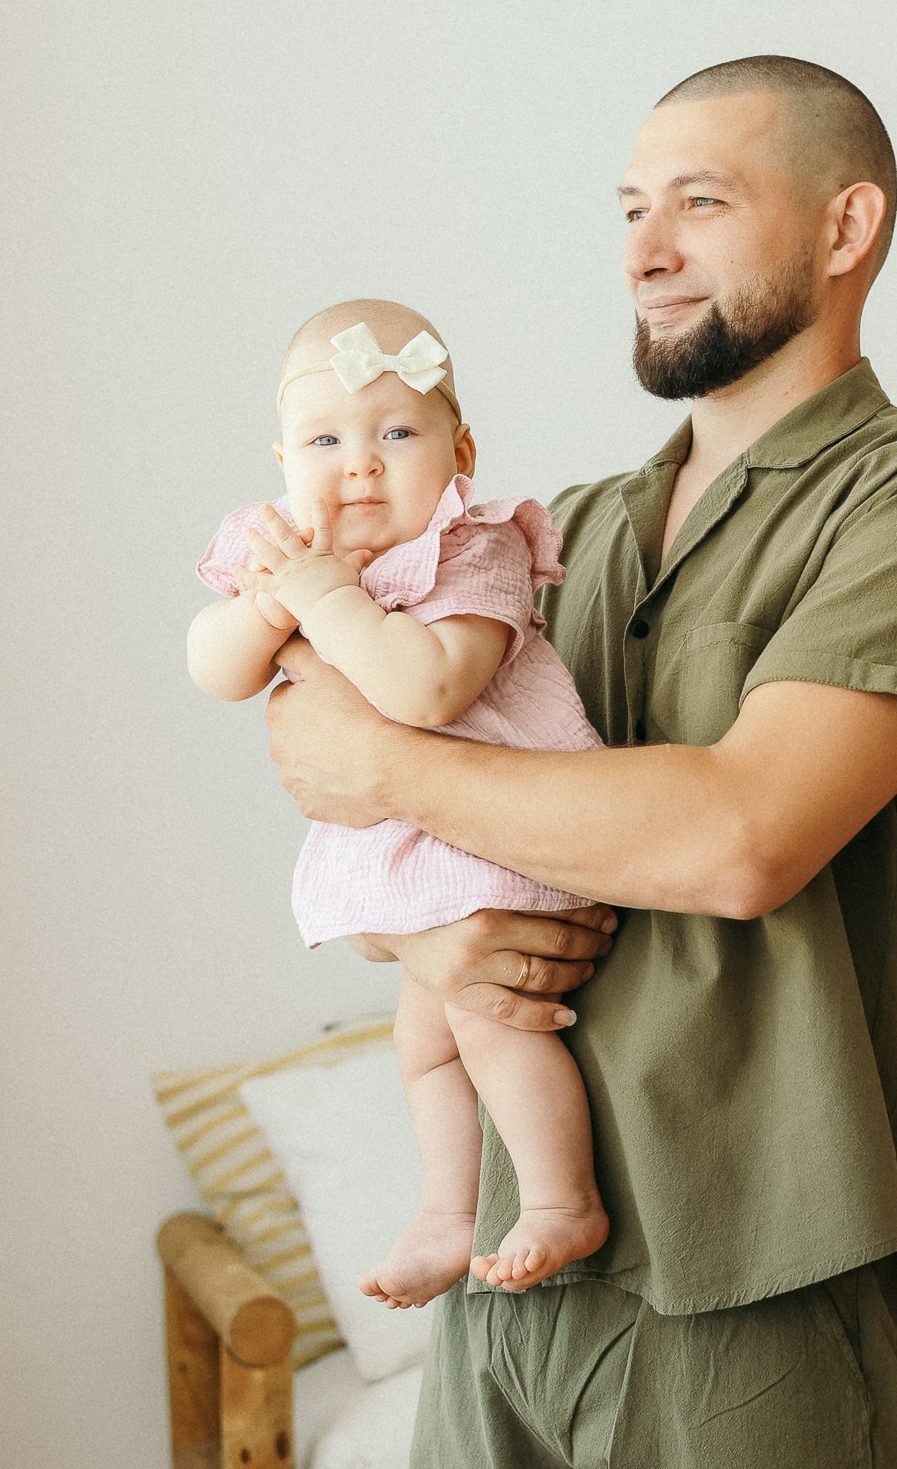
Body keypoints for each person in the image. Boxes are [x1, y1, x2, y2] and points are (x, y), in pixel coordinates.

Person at [261, 57, 897, 1469]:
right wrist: (427, 949)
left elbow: (740, 839)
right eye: (630, 208)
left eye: (700, 202)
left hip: (765, 1268)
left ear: (845, 226)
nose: (646, 250)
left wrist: (375, 760)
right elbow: (413, 824)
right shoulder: (556, 532)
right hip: (519, 1258)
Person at [188, 299, 612, 1307]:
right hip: (420, 861)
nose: (361, 464)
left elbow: (424, 689)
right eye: (324, 439)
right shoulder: (283, 550)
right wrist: (269, 604)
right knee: (422, 1043)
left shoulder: (473, 551)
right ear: (283, 458)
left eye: (396, 432)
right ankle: (446, 1212)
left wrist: (331, 603)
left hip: (504, 827)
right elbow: (213, 668)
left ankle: (561, 1199)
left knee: (491, 1023)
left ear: (459, 450)